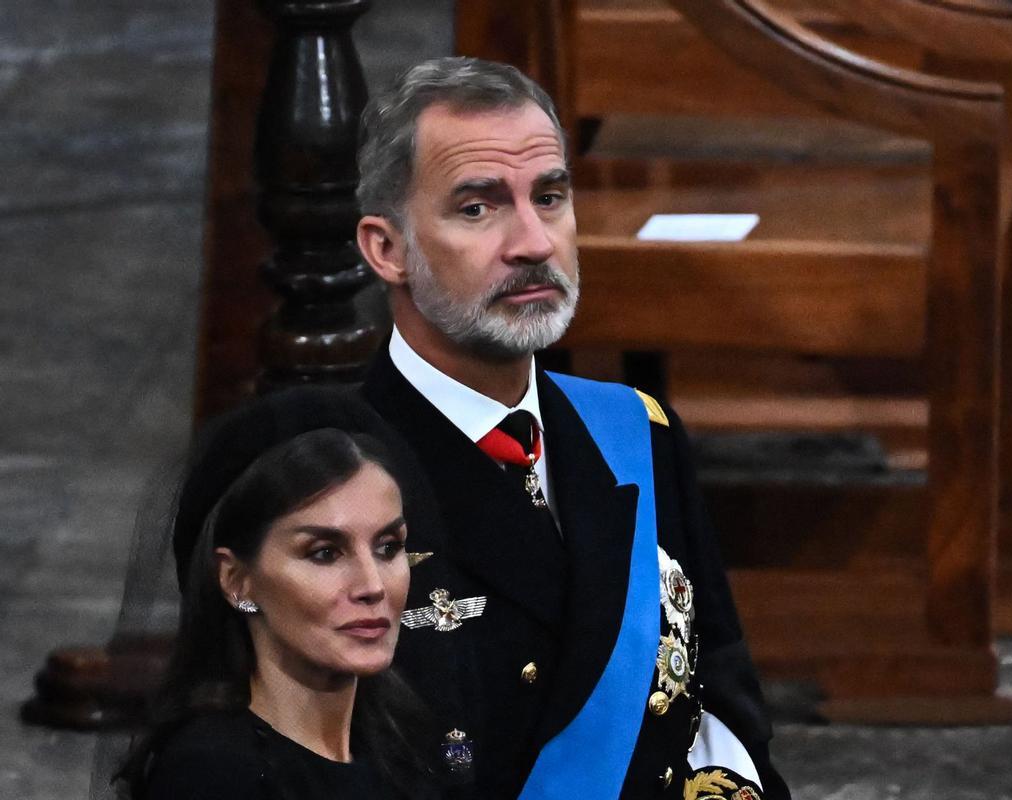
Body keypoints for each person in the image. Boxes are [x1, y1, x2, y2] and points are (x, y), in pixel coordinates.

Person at [355, 57, 789, 798]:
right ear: (386, 249)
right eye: (477, 208)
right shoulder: (325, 470)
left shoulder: (636, 434)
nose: (532, 242)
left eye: (549, 197)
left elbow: (722, 708)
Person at [114, 388, 443, 800]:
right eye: (325, 553)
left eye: (388, 547)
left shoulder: (401, 741)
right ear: (236, 580)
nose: (373, 586)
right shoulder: (213, 776)